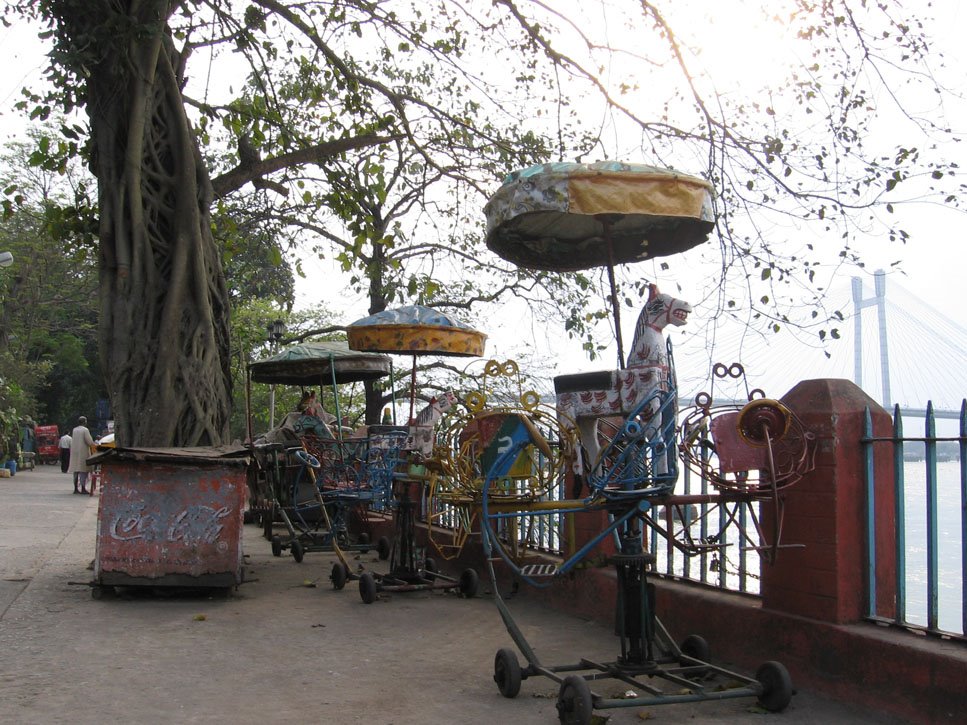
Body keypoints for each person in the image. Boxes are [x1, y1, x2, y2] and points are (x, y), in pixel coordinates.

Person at [67, 416, 95, 495]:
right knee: (83, 471)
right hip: (83, 452)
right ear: (85, 422)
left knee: (76, 471)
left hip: (75, 452)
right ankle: (83, 488)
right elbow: (89, 441)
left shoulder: (74, 429)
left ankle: (75, 488)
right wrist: (94, 445)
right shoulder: (85, 430)